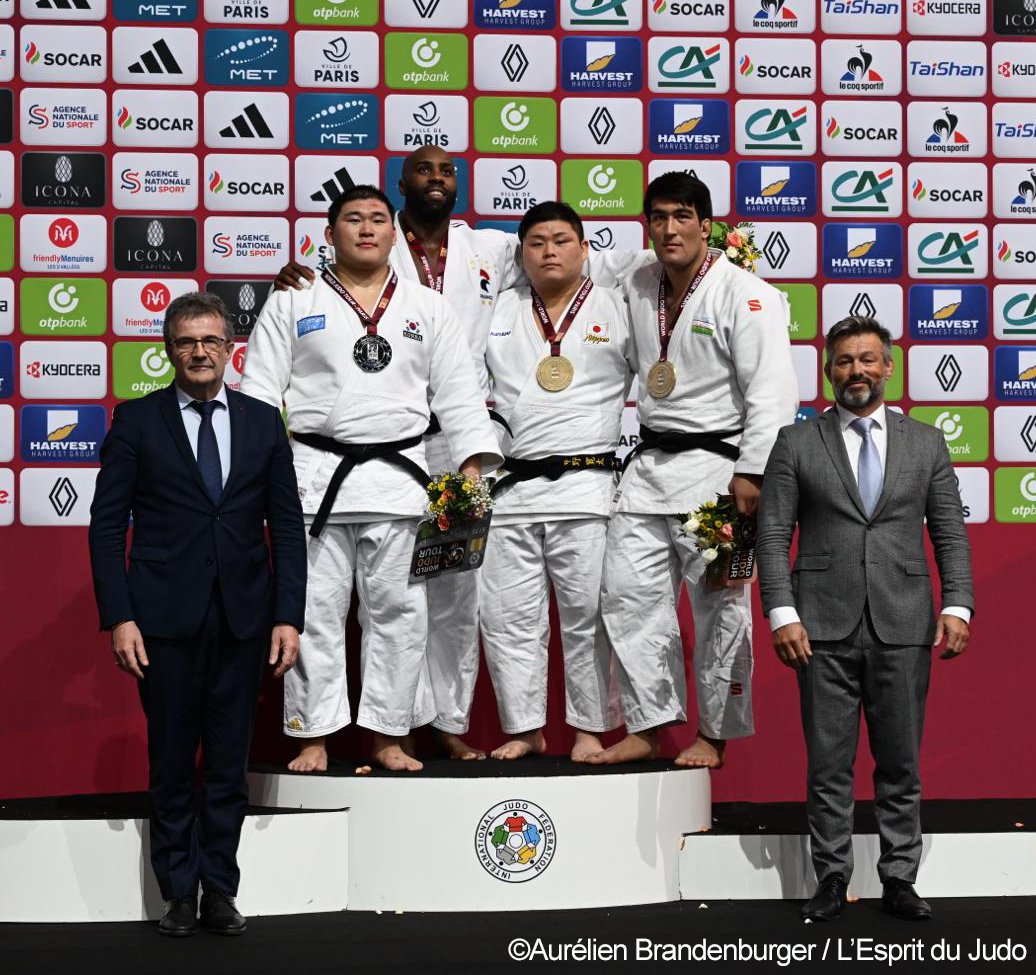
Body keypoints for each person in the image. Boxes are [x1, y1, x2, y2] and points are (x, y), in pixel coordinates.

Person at [241, 185, 501, 773]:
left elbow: (459, 394)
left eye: (377, 220)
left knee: (400, 617)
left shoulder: (427, 306)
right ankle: (314, 734)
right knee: (312, 613)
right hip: (314, 480)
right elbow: (259, 392)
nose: (365, 229)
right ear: (329, 233)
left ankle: (389, 735)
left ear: (395, 233)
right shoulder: (292, 299)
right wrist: (256, 477)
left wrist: (469, 473)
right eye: (352, 219)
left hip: (400, 482)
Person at [88, 292, 307, 937]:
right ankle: (178, 892)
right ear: (168, 350)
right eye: (186, 342)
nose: (200, 352)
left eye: (211, 340)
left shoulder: (265, 422)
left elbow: (287, 529)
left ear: (230, 348)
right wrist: (119, 617)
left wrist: (287, 614)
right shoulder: (136, 421)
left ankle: (221, 891)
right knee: (172, 762)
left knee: (227, 767)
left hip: (244, 621)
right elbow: (106, 529)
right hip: (162, 624)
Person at [756, 315, 973, 922]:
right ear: (828, 370)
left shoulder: (926, 442)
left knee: (900, 762)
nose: (857, 371)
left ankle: (900, 878)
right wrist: (781, 613)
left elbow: (950, 534)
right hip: (818, 627)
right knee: (828, 764)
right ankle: (831, 877)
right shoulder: (795, 443)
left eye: (868, 360)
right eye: (845, 361)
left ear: (887, 367)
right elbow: (772, 538)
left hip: (905, 623)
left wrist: (957, 603)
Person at [587, 171, 798, 768]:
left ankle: (715, 734)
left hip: (719, 473)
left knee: (722, 608)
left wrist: (753, 475)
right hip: (649, 467)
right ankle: (649, 725)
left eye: (682, 217)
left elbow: (774, 393)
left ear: (708, 227)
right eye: (658, 217)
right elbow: (554, 252)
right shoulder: (637, 280)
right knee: (628, 599)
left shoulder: (745, 293)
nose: (669, 228)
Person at [480, 201, 633, 761]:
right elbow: (470, 383)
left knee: (588, 617)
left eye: (562, 240)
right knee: (505, 616)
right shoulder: (497, 309)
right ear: (522, 252)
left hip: (586, 487)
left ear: (584, 247)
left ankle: (590, 727)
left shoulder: (617, 305)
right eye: (537, 241)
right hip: (510, 488)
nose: (549, 250)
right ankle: (524, 727)